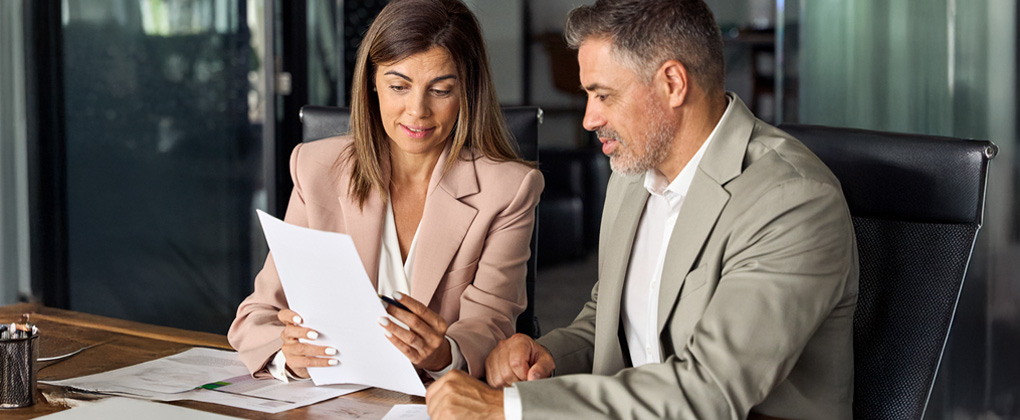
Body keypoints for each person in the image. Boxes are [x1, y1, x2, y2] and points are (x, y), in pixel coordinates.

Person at [425, 0, 858, 419]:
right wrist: (548, 354)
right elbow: (609, 322)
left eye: (603, 95)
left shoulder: (791, 200)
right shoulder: (632, 175)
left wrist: (512, 409)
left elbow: (709, 391)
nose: (589, 119)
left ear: (673, 83)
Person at [228, 0, 543, 383]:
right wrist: (288, 356)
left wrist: (446, 353)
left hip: (436, 399)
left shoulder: (508, 189)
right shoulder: (315, 169)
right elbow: (256, 316)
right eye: (399, 86)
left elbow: (491, 322)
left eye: (441, 90)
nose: (417, 111)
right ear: (372, 84)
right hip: (331, 398)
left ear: (467, 93)